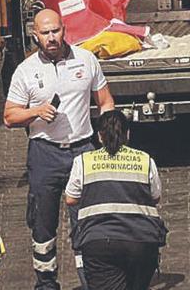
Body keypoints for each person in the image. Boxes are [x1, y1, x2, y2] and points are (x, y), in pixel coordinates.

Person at [4, 8, 116, 290]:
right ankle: (46, 282)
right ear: (35, 35)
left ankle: (91, 280)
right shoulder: (26, 71)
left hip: (83, 150)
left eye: (56, 31)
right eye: (45, 33)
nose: (52, 38)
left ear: (64, 29)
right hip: (45, 154)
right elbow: (9, 117)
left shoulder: (86, 60)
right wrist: (36, 112)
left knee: (87, 220)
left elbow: (105, 101)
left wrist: (107, 137)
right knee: (43, 222)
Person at [65, 110, 167, 290]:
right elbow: (155, 197)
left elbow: (71, 199)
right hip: (141, 240)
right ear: (128, 134)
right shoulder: (144, 160)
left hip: (98, 242)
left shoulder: (83, 161)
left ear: (99, 136)